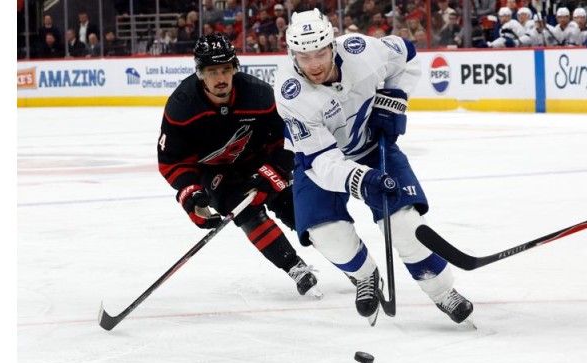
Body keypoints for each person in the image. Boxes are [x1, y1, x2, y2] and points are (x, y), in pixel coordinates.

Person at [274, 9, 474, 324]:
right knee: (326, 236)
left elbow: (407, 56)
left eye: (320, 53)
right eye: (303, 55)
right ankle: (366, 276)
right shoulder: (291, 92)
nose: (313, 64)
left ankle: (442, 293)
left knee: (404, 226)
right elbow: (322, 161)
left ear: (332, 46)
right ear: (291, 53)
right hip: (320, 163)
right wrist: (362, 179)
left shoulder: (361, 50)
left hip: (371, 145)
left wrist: (393, 99)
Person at [157, 33, 320, 297]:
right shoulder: (181, 106)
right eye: (212, 72)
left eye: (225, 69)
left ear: (235, 68)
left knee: (291, 205)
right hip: (215, 172)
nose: (220, 79)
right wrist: (190, 194)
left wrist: (275, 169)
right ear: (200, 73)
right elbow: (172, 161)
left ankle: (345, 260)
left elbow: (290, 139)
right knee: (242, 209)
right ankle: (295, 267)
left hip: (259, 159)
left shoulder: (260, 95)